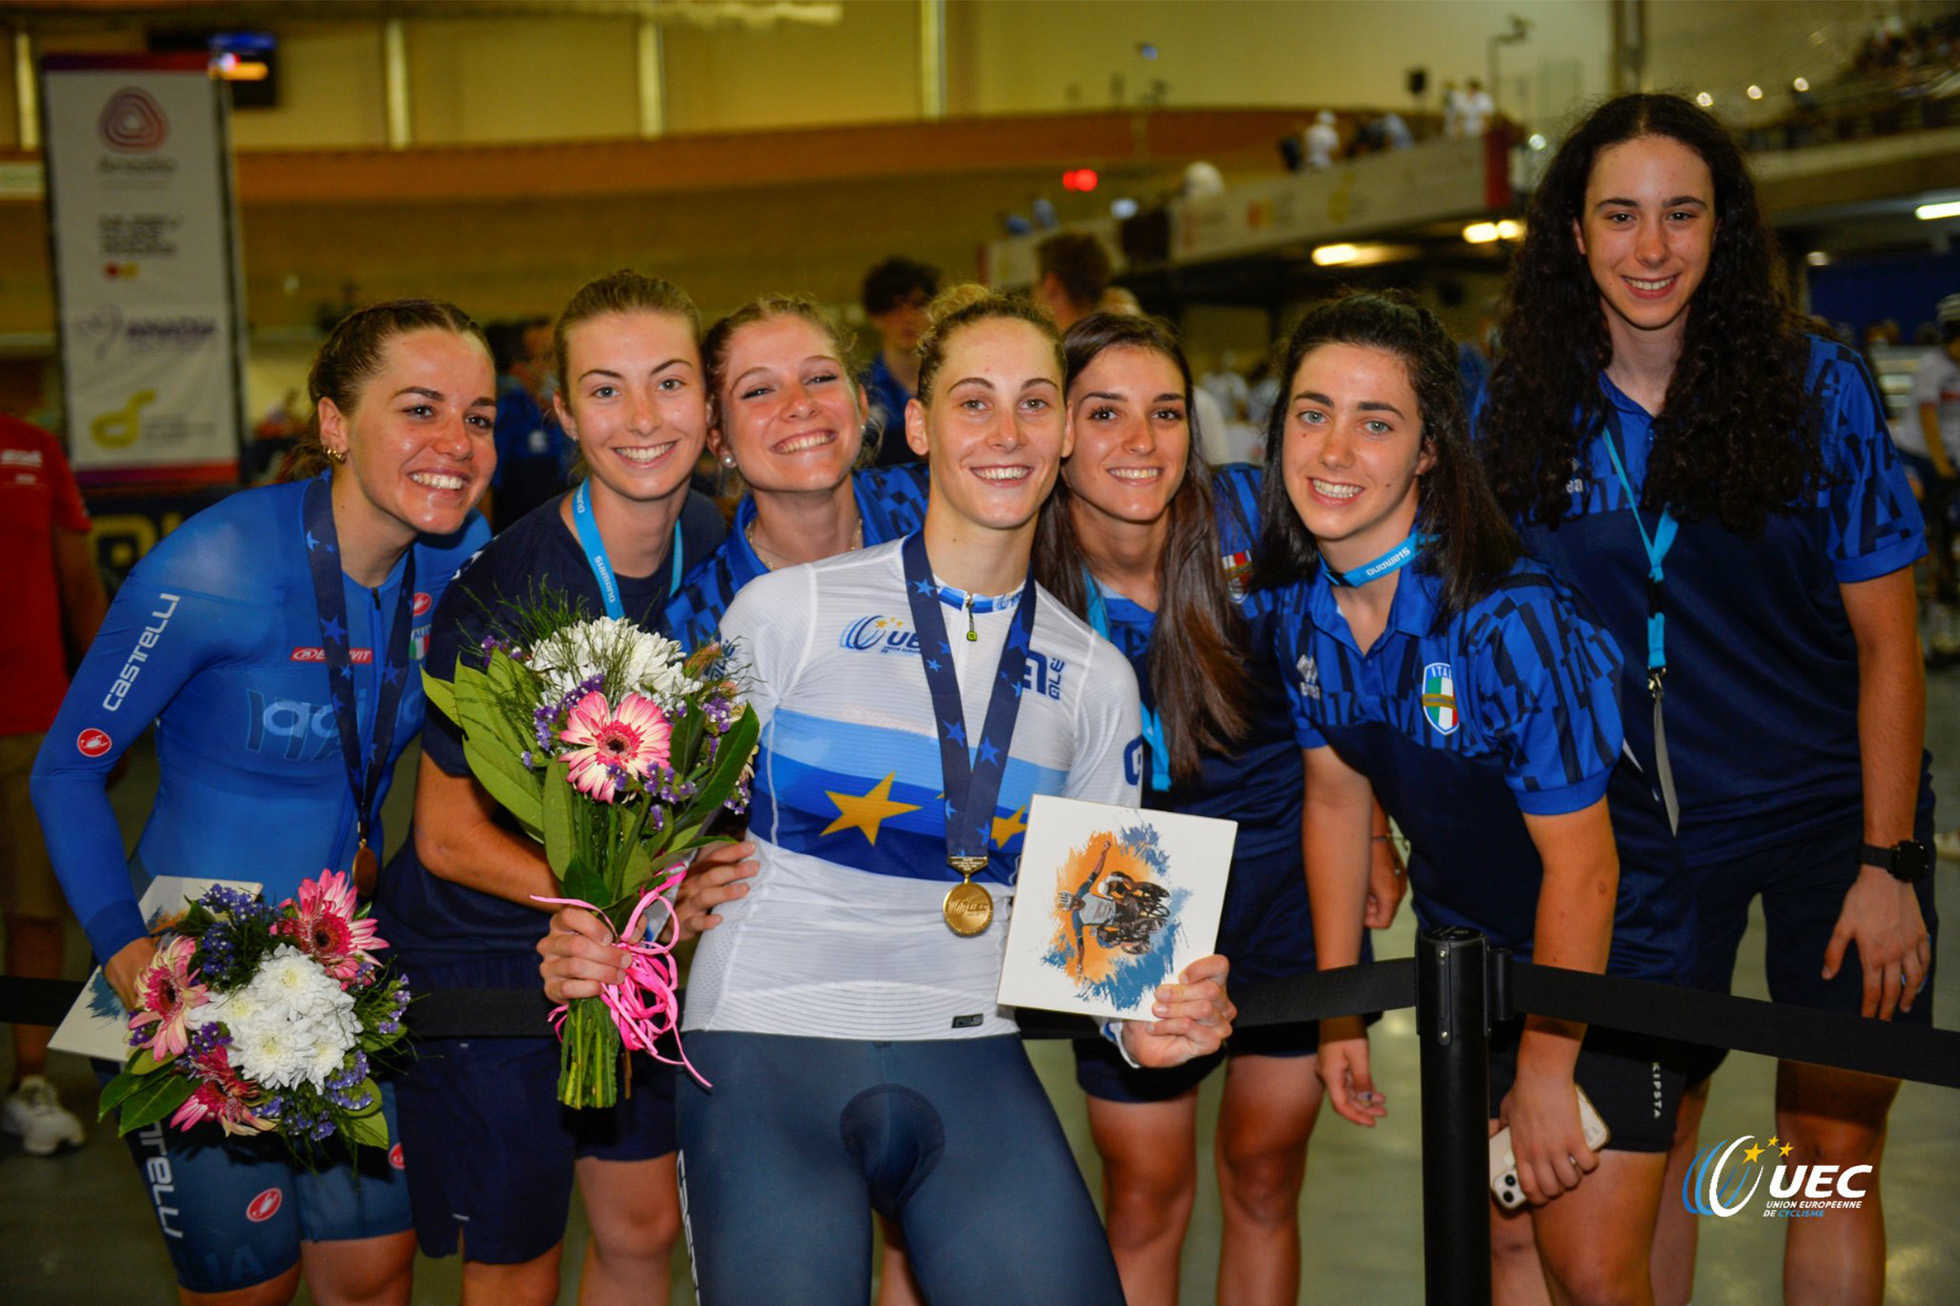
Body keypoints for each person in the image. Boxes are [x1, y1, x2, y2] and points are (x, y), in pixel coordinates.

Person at [540, 286, 1237, 1306]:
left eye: (1036, 403)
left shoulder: (1098, 678)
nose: (1006, 433)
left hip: (970, 1044)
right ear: (916, 425)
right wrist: (607, 926)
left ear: (1064, 436)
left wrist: (1153, 1022)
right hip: (767, 1035)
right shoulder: (782, 612)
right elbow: (645, 834)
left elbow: (1110, 974)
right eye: (973, 403)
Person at [1476, 94, 1936, 1306]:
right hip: (1637, 847)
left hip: (1826, 820)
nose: (1650, 246)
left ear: (1721, 228)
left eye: (1681, 214)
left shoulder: (1814, 389)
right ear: (1572, 235)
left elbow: (1890, 648)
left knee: (1827, 1157)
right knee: (1661, 1146)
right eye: (1618, 215)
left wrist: (1887, 861)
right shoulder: (1517, 409)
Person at [30, 299, 497, 1306]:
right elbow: (64, 770)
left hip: (341, 976)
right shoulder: (214, 568)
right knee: (252, 1285)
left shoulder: (462, 558)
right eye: (419, 408)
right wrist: (131, 955)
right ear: (333, 423)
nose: (455, 445)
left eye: (480, 416)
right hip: (183, 974)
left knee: (373, 1274)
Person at [1259, 291, 1692, 1306]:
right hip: (1473, 963)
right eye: (1311, 412)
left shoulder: (1508, 622)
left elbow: (1585, 872)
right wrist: (1337, 1011)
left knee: (1587, 1268)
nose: (1333, 448)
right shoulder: (1300, 611)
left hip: (1609, 963)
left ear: (1425, 454)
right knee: (1499, 1252)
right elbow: (1333, 799)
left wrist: (1548, 1065)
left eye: (1376, 422)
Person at [1034, 312, 1403, 1306]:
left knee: (1264, 1175)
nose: (1140, 442)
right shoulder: (1020, 566)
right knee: (1147, 1195)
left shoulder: (1254, 519)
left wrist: (1369, 832)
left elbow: (1336, 695)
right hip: (1120, 885)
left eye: (1164, 413)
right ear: (1055, 429)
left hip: (1283, 879)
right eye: (1103, 413)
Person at [374, 270, 725, 1306]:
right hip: (487, 951)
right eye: (606, 391)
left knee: (644, 1223)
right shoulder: (509, 588)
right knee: (519, 1255)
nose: (645, 418)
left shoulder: (716, 544)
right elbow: (443, 839)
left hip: (627, 943)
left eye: (669, 382)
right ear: (563, 411)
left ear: (707, 399)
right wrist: (605, 913)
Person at [0, 410, 108, 1155]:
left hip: (33, 721)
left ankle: (29, 1077)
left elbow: (79, 587)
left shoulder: (33, 449)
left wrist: (104, 715)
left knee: (35, 909)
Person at [1905, 294, 1960, 666]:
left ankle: (1944, 637)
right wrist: (1942, 469)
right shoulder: (1933, 367)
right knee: (1936, 549)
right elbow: (1928, 421)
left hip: (1950, 467)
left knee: (1949, 553)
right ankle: (1935, 639)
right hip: (1924, 464)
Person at [487, 315, 570, 531]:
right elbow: (484, 492)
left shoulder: (586, 416)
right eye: (549, 357)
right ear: (520, 370)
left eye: (564, 355)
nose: (559, 366)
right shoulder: (505, 417)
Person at [858, 258, 941, 468]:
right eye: (895, 307)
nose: (908, 317)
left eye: (918, 304)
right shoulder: (861, 390)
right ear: (875, 317)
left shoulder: (949, 381)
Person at [1034, 231, 1117, 333]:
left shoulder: (1049, 346)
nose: (1033, 296)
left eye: (1036, 285)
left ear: (1051, 284)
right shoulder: (1118, 336)